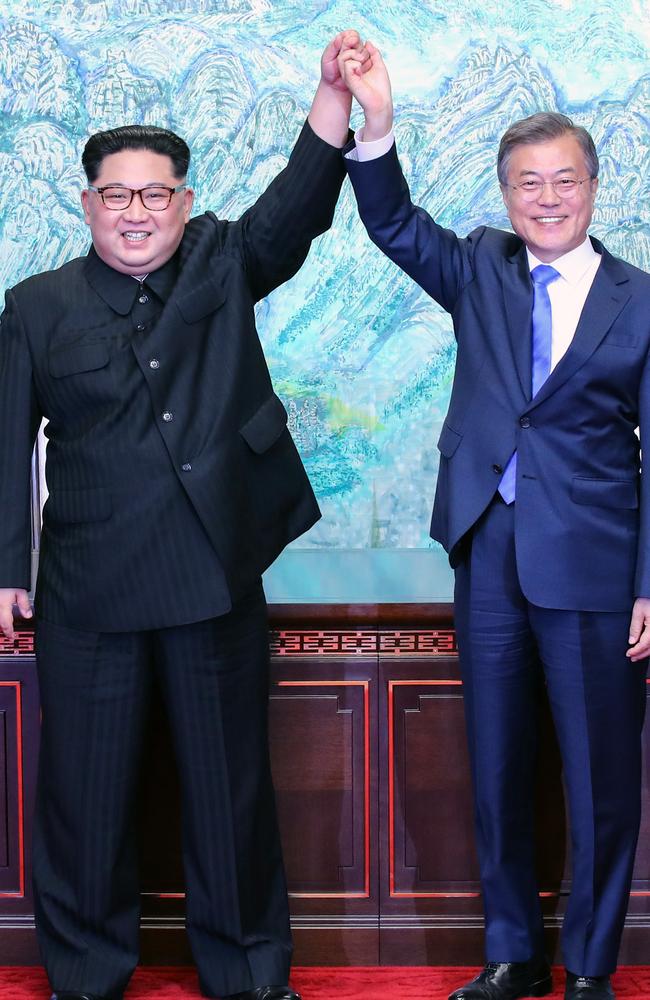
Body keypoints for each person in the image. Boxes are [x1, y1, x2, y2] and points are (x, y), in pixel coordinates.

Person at [0, 31, 367, 1000]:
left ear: (184, 202)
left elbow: (291, 215)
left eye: (155, 193)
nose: (135, 212)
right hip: (88, 593)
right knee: (82, 803)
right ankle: (85, 974)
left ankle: (248, 974)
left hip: (210, 582)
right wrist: (6, 568)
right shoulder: (34, 307)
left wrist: (332, 102)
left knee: (228, 796)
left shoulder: (218, 263)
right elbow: (3, 445)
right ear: (85, 206)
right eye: (115, 195)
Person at [337, 42, 650, 1000]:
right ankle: (513, 953)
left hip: (597, 564)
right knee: (498, 765)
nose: (546, 199)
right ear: (506, 194)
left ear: (595, 187)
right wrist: (376, 124)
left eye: (563, 181)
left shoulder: (642, 303)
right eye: (526, 184)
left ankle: (590, 967)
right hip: (492, 548)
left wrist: (649, 583)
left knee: (598, 778)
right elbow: (391, 222)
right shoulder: (481, 268)